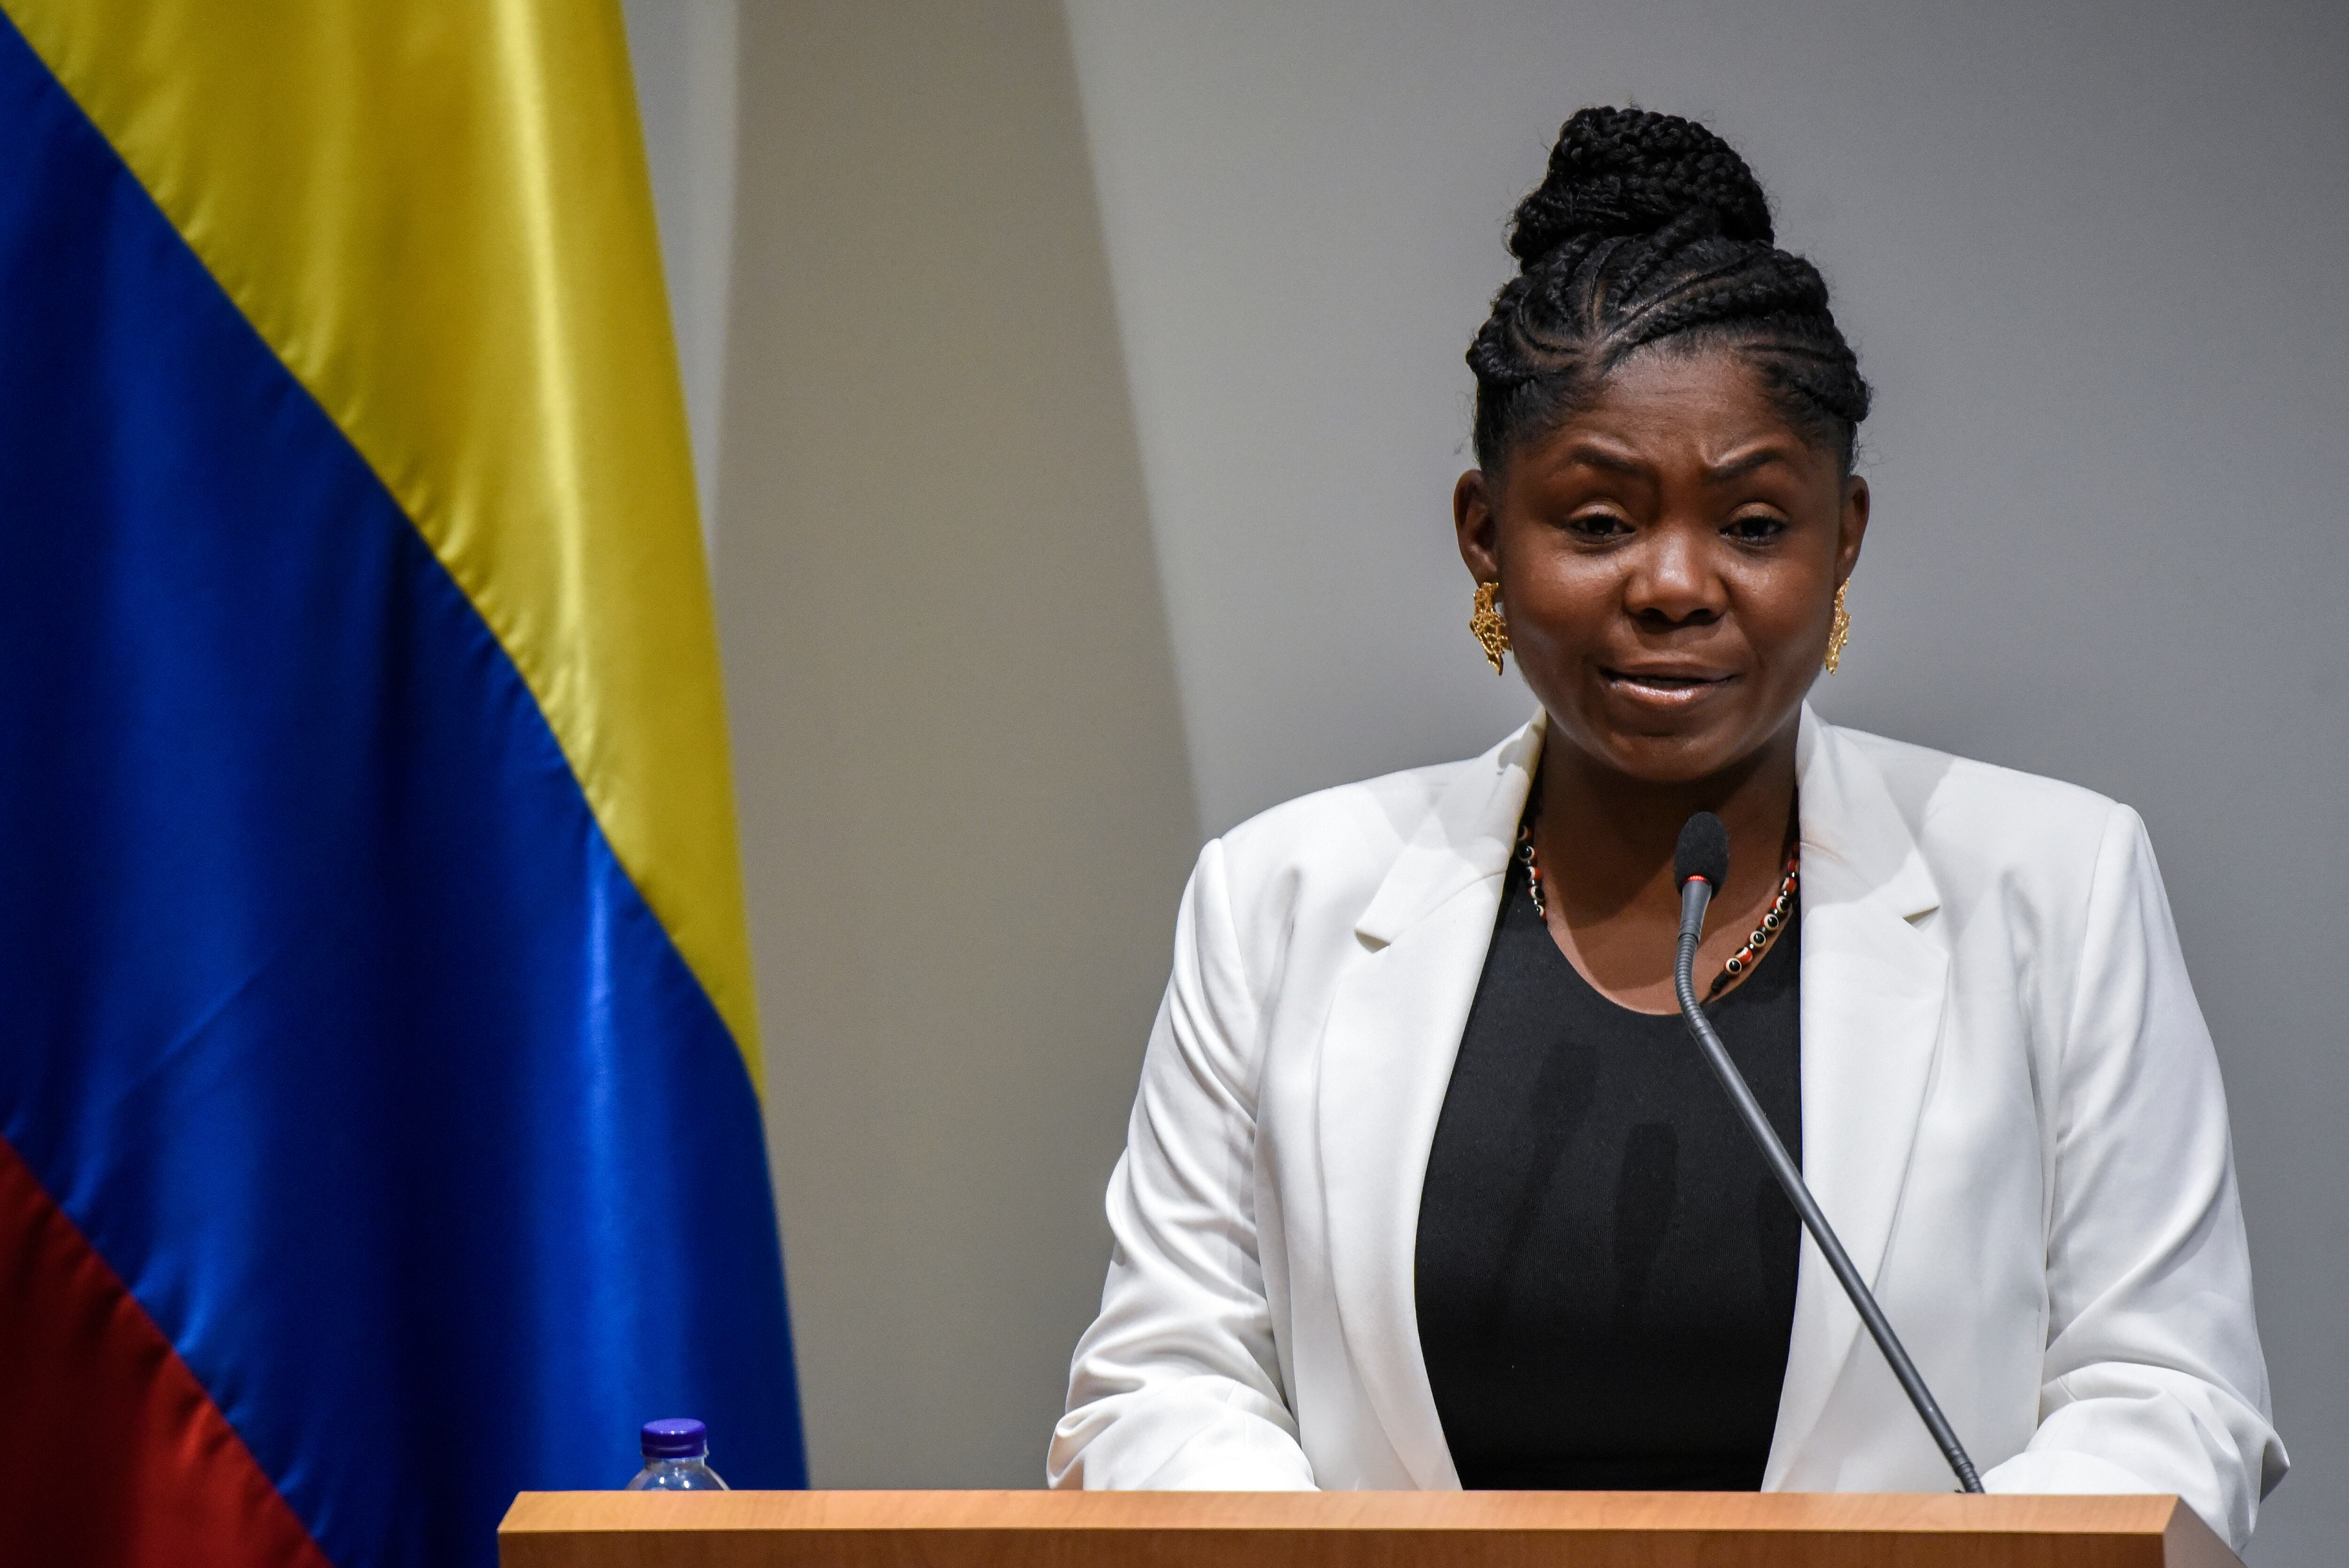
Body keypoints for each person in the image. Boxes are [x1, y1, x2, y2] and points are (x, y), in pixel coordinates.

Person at [1047, 107, 2286, 1550]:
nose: (1677, 583)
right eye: (1596, 521)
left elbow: (2169, 1393)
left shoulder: (2056, 884)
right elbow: (1160, 1376)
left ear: (1846, 539)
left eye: (1756, 526)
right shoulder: (1278, 897)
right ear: (1484, 533)